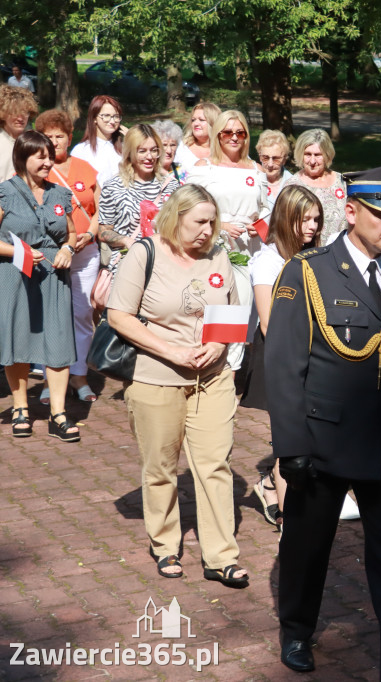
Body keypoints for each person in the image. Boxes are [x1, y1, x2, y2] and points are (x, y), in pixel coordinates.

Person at [265, 163, 381, 675]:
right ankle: (296, 630)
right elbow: (285, 364)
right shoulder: (310, 271)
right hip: (324, 442)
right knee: (306, 549)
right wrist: (291, 445)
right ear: (353, 210)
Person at [107, 184, 248, 587]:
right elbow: (120, 316)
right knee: (161, 467)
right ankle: (166, 544)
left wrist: (219, 342)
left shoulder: (219, 254)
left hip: (212, 378)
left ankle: (221, 556)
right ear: (176, 218)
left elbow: (232, 310)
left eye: (213, 222)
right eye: (199, 222)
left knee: (214, 465)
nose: (208, 230)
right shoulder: (145, 253)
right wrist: (172, 351)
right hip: (156, 378)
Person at [244, 185, 324, 529]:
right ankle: (291, 525)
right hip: (283, 358)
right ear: (286, 218)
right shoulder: (268, 260)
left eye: (317, 220)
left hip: (316, 356)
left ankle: (273, 489)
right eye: (305, 219)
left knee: (309, 435)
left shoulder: (316, 256)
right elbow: (268, 324)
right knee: (289, 440)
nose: (312, 227)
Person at [0, 132, 78, 441]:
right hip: (15, 273)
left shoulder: (60, 194)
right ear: (22, 159)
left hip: (54, 275)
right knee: (19, 339)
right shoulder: (5, 193)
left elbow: (71, 233)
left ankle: (58, 413)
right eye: (40, 157)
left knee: (58, 342)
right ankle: (21, 407)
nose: (48, 162)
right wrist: (18, 252)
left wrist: (68, 249)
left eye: (50, 156)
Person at [187, 110, 269, 372]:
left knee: (241, 310)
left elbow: (265, 211)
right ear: (218, 135)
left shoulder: (256, 169)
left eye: (240, 132)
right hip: (211, 248)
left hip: (248, 250)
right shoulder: (204, 168)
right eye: (228, 132)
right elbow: (187, 208)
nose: (234, 138)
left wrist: (258, 228)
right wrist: (220, 226)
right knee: (210, 308)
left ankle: (229, 374)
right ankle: (203, 366)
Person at [37, 109, 101, 404]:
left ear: (69, 137)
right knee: (52, 315)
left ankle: (78, 374)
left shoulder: (85, 168)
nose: (53, 142)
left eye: (59, 136)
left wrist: (89, 234)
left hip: (86, 252)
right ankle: (53, 377)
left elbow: (99, 209)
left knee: (82, 313)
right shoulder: (34, 169)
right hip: (51, 255)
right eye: (47, 137)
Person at [97, 125, 180, 277]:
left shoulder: (171, 186)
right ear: (129, 153)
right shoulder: (113, 187)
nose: (149, 157)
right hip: (125, 265)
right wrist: (126, 241)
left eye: (154, 150)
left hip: (163, 266)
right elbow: (103, 232)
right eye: (142, 151)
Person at [283, 128, 347, 243]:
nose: (312, 161)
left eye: (318, 155)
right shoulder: (292, 185)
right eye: (308, 154)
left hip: (341, 252)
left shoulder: (342, 182)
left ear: (327, 155)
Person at [70, 95, 124, 189]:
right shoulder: (81, 151)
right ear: (94, 118)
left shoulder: (125, 148)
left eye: (116, 116)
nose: (112, 121)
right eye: (106, 116)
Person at [0, 84, 39, 180]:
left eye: (25, 112)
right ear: (3, 114)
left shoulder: (33, 140)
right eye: (14, 112)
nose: (20, 118)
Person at [175, 102, 222, 171]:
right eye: (193, 120)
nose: (195, 123)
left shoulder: (224, 149)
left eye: (201, 120)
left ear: (213, 123)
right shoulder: (182, 147)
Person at [255, 129, 292, 204]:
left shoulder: (293, 183)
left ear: (284, 160)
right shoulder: (252, 180)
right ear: (259, 157)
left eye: (276, 159)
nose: (270, 164)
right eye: (265, 158)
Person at [151, 119, 185, 184]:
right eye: (164, 145)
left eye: (172, 145)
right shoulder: (146, 172)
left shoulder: (182, 171)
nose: (169, 151)